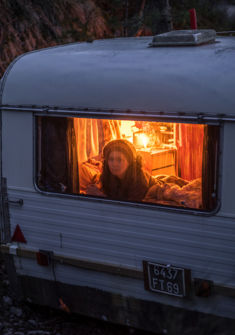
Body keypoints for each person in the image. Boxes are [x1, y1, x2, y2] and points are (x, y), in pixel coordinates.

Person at [86, 139, 157, 201]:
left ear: (129, 162)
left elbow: (129, 206)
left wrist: (101, 196)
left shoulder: (139, 179)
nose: (114, 164)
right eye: (111, 159)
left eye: (119, 160)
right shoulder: (107, 176)